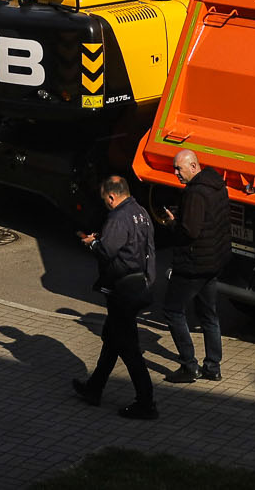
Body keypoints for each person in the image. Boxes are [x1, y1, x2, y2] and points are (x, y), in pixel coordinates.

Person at [72, 175, 158, 420]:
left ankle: (146, 402)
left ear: (112, 196)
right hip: (138, 285)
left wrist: (92, 243)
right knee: (112, 339)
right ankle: (94, 388)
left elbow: (107, 251)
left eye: (105, 200)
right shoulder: (141, 213)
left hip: (122, 289)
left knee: (128, 348)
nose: (106, 204)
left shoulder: (118, 217)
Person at [156, 149, 229, 384]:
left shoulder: (195, 193)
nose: (176, 173)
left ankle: (189, 366)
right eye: (175, 168)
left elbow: (190, 231)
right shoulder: (217, 186)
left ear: (194, 166)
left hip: (193, 265)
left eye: (179, 168)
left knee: (172, 310)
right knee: (209, 314)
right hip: (212, 262)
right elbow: (209, 222)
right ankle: (213, 366)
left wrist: (172, 223)